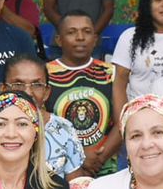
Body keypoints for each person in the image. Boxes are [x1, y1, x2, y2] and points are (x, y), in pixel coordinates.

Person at [46, 11, 121, 177]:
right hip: (59, 170)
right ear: (59, 40)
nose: (80, 37)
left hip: (104, 168)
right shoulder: (45, 74)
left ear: (95, 39)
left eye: (87, 32)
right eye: (71, 32)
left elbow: (122, 122)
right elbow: (42, 125)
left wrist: (98, 158)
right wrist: (78, 157)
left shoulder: (110, 72)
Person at [4, 54, 86, 178]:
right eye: (18, 84)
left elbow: (75, 187)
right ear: (3, 89)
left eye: (36, 85)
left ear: (47, 92)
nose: (28, 92)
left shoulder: (64, 128)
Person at [112, 0, 163, 106]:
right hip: (140, 116)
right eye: (158, 0)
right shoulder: (130, 36)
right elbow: (119, 86)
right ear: (148, 4)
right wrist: (120, 122)